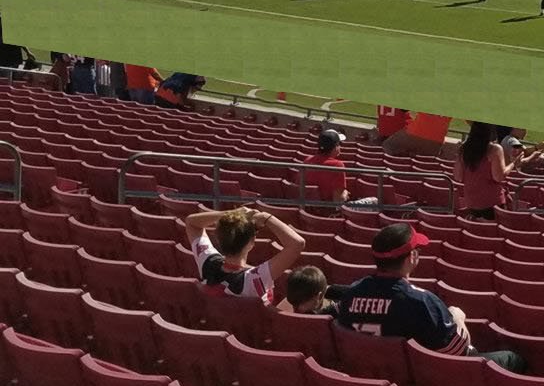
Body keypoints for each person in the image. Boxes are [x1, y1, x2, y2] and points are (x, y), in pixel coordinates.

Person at [336, 223, 524, 371]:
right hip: (435, 377)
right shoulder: (421, 301)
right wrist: (458, 318)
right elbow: (457, 352)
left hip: (377, 372)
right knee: (512, 357)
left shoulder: (352, 293)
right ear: (411, 258)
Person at [183, 206, 306, 303]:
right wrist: (266, 218)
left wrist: (232, 213)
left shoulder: (207, 262)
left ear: (219, 239)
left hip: (217, 326)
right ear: (251, 242)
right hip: (257, 333)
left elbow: (191, 222)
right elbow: (297, 243)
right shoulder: (254, 279)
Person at [458, 123, 526, 218]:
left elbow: (458, 176)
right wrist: (514, 163)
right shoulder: (495, 149)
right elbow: (499, 177)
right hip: (492, 203)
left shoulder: (464, 148)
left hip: (471, 202)